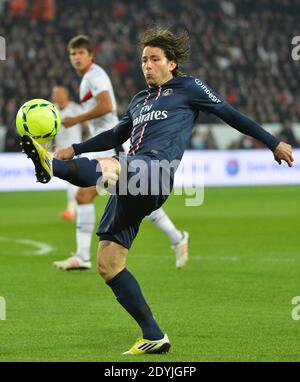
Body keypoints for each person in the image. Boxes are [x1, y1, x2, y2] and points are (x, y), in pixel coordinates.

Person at [20, 28, 293, 355]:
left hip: (156, 170)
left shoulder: (188, 88)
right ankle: (154, 335)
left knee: (111, 164)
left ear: (172, 64)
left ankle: (50, 166)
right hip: (133, 179)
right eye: (144, 60)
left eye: (154, 60)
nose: (147, 66)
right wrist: (74, 148)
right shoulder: (138, 101)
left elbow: (228, 114)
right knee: (108, 263)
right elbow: (114, 133)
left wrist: (272, 142)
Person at [53, 35, 189, 271]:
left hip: (113, 148)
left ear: (90, 55)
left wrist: (76, 120)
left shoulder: (94, 76)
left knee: (88, 197)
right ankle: (177, 238)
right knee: (138, 200)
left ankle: (83, 256)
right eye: (72, 54)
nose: (76, 58)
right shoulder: (87, 78)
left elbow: (107, 106)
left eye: (80, 53)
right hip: (108, 145)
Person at [51, 85, 87, 221]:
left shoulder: (75, 109)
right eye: (54, 93)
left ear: (66, 94)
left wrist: (85, 144)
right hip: (60, 152)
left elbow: (86, 126)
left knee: (72, 181)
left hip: (74, 151)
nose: (56, 95)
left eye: (58, 93)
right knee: (71, 182)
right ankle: (73, 210)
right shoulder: (51, 110)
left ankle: (73, 211)